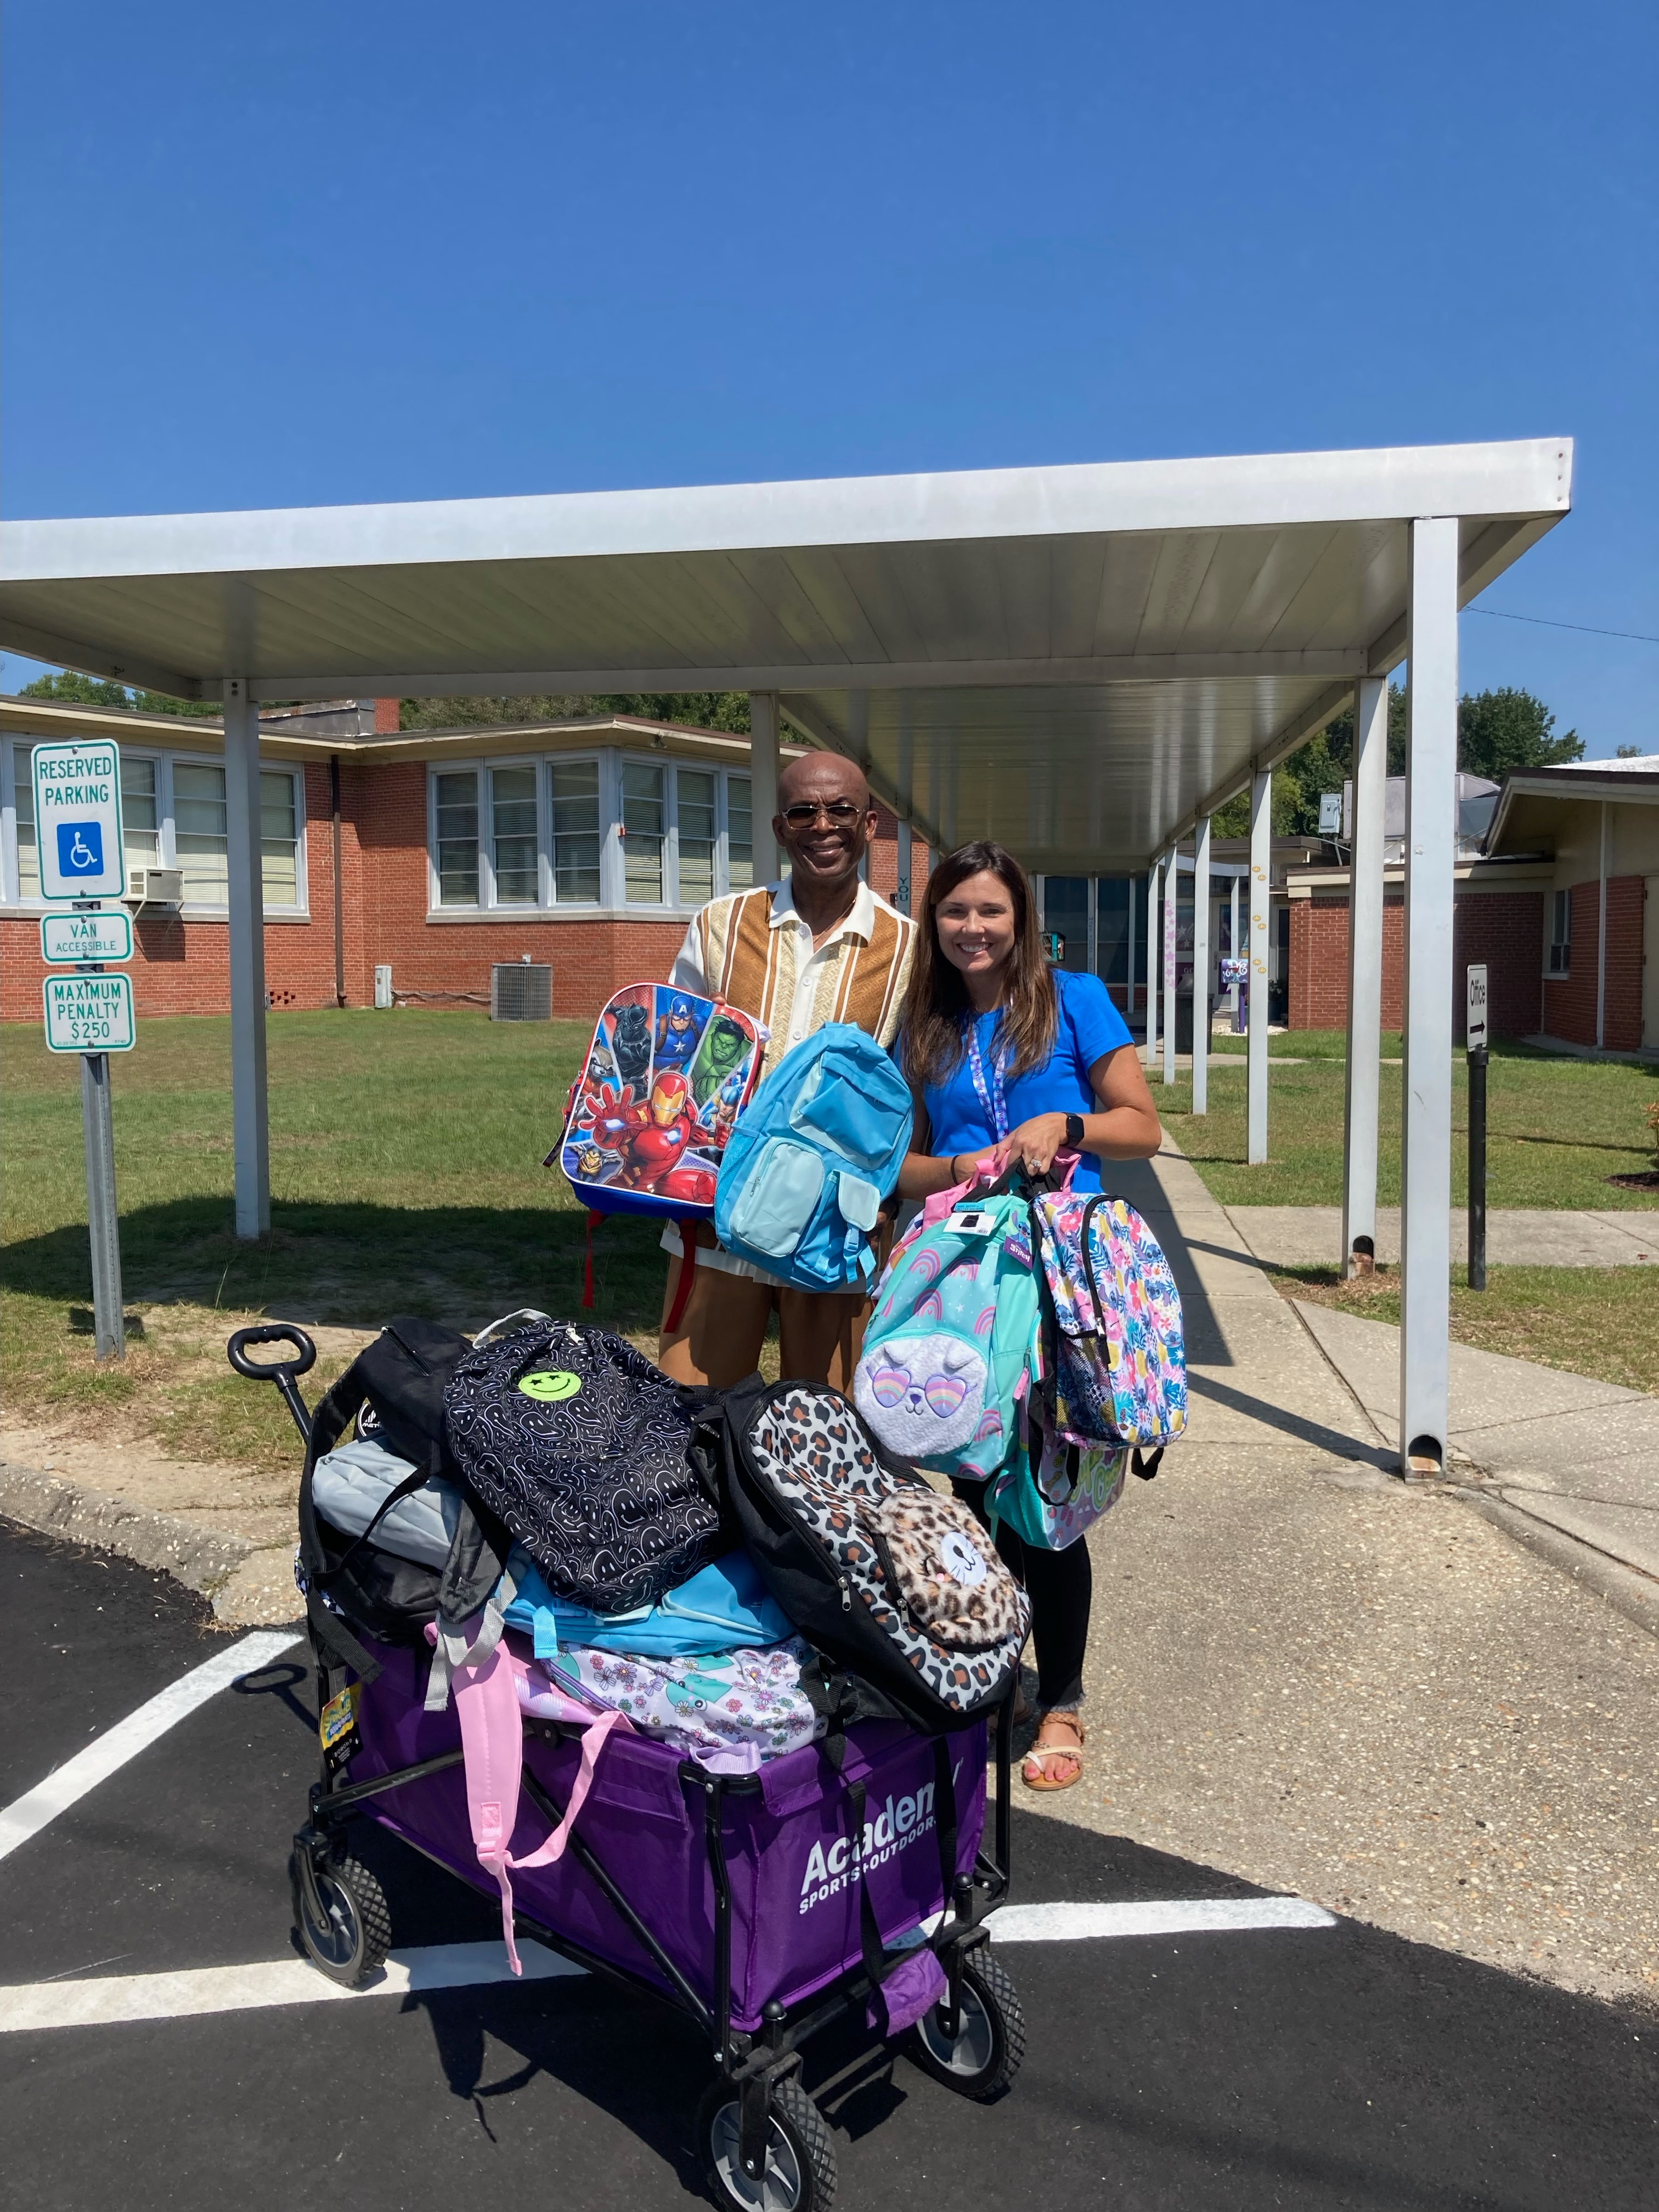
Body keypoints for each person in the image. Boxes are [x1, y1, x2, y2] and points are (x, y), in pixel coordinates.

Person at [893, 839, 1163, 1791]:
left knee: (1048, 1496)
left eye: (989, 910)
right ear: (934, 924)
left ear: (1021, 918)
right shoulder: (922, 1023)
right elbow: (902, 1162)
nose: (972, 928)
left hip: (1059, 1279)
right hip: (961, 1279)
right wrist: (961, 1169)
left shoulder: (1075, 998)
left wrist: (1067, 1126)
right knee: (968, 1483)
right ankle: (992, 1669)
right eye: (954, 911)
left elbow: (1141, 1124)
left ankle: (1062, 1699)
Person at [657, 751, 918, 1389]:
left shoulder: (910, 947)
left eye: (840, 810)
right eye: (803, 811)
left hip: (835, 1232)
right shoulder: (719, 925)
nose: (822, 826)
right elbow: (672, 1058)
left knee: (827, 1426)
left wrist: (895, 1196)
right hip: (716, 1215)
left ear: (870, 826)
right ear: (780, 829)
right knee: (691, 1416)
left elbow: (918, 1089)